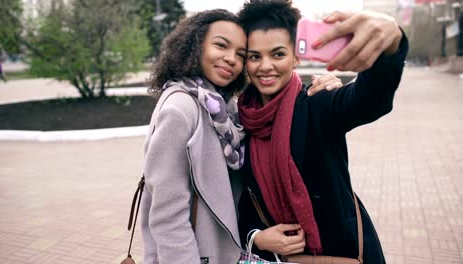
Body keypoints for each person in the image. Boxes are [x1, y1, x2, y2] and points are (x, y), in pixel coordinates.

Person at [140, 7, 343, 264]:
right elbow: (167, 218)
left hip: (228, 253)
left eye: (240, 54)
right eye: (221, 46)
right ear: (195, 45)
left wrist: (330, 86)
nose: (231, 59)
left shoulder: (228, 110)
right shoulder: (180, 110)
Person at [236, 0, 408, 263]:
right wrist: (256, 236)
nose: (265, 66)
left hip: (341, 253)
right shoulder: (240, 122)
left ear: (296, 57)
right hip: (275, 258)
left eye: (278, 54)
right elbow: (240, 199)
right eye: (255, 56)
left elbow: (370, 99)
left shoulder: (318, 103)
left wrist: (391, 42)